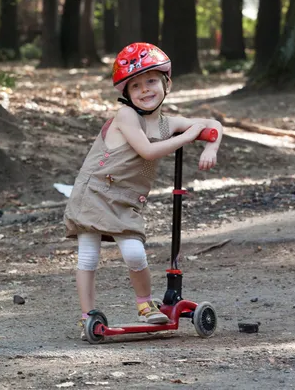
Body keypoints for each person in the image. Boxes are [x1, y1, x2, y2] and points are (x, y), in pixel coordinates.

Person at [63, 42, 223, 339]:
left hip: (125, 200)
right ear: (126, 94)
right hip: (95, 193)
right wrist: (187, 136)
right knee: (88, 255)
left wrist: (210, 145)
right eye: (136, 85)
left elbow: (212, 123)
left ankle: (145, 305)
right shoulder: (126, 117)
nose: (145, 90)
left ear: (167, 83)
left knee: (135, 254)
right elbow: (148, 152)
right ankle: (88, 317)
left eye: (151, 81)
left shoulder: (166, 123)